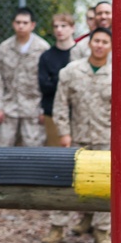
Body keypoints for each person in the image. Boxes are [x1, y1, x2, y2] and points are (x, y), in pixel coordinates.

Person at [43, 27, 113, 243]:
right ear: (89, 44)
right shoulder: (71, 71)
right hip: (77, 138)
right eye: (97, 41)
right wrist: (63, 132)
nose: (100, 45)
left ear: (110, 47)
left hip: (105, 137)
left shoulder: (117, 72)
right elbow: (61, 104)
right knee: (66, 182)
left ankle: (102, 230)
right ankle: (57, 228)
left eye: (105, 42)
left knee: (106, 184)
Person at [0, 8, 50, 147]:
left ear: (32, 25)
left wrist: (44, 109)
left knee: (33, 147)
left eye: (25, 22)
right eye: (18, 22)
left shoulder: (43, 49)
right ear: (13, 24)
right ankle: (2, 170)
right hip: (9, 106)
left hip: (33, 107)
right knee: (4, 146)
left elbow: (46, 82)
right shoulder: (3, 49)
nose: (21, 26)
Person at [38, 13, 88, 147]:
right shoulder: (46, 56)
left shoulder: (83, 54)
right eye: (56, 26)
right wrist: (65, 81)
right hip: (54, 112)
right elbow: (44, 86)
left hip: (80, 112)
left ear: (73, 28)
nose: (59, 29)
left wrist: (56, 79)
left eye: (63, 26)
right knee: (56, 154)